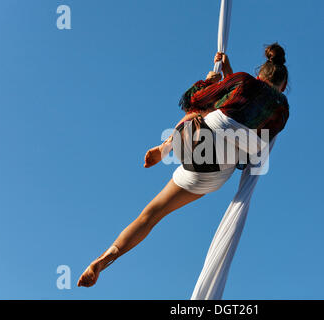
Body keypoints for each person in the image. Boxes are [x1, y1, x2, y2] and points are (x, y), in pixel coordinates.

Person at [77, 43, 290, 288]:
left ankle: (164, 147)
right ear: (283, 86)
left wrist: (209, 81)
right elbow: (246, 109)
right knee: (154, 215)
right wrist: (228, 76)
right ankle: (105, 259)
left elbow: (194, 98)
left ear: (259, 74)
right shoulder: (283, 110)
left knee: (197, 110)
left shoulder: (244, 81)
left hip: (198, 144)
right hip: (216, 172)